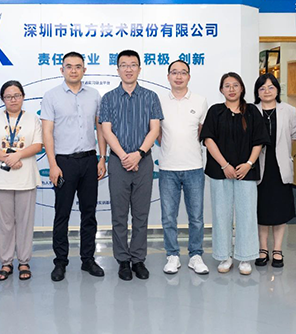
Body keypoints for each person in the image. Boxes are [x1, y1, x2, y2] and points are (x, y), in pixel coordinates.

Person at [40, 51, 107, 282]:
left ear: (84, 70)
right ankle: (60, 262)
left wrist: (102, 158)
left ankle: (88, 259)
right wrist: (52, 164)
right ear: (62, 70)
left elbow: (100, 128)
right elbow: (47, 132)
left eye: (78, 66)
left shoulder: (94, 95)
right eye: (69, 66)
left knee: (89, 213)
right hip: (64, 163)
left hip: (89, 160)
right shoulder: (51, 96)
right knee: (62, 214)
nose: (73, 70)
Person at [100, 49, 163, 281]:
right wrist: (125, 157)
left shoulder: (150, 97)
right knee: (119, 215)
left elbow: (154, 129)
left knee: (140, 214)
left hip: (143, 162)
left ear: (139, 68)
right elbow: (106, 131)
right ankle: (123, 260)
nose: (128, 69)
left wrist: (138, 154)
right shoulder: (108, 98)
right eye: (124, 65)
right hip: (118, 163)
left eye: (133, 64)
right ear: (117, 69)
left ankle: (138, 259)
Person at [200, 72, 269, 275]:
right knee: (221, 215)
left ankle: (245, 257)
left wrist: (249, 164)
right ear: (221, 90)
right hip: (220, 171)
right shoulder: (215, 111)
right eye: (227, 85)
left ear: (242, 88)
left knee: (246, 215)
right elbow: (208, 140)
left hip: (246, 172)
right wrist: (224, 165)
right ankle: (224, 256)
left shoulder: (252, 112)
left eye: (235, 85)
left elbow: (259, 141)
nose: (231, 89)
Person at [0, 80, 42, 281]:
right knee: (4, 223)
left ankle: (24, 261)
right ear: (3, 99)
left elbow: (38, 145)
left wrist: (18, 156)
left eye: (17, 95)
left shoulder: (33, 119)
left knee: (25, 222)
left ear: (23, 97)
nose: (13, 100)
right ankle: (6, 262)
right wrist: (8, 158)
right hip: (2, 178)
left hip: (26, 177)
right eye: (8, 96)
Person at [158, 60, 209, 275]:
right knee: (168, 217)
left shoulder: (200, 101)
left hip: (194, 167)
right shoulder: (159, 101)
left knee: (196, 216)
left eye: (183, 73)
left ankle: (195, 255)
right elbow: (157, 133)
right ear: (168, 76)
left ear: (189, 76)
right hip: (167, 168)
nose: (178, 77)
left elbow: (202, 132)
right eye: (174, 73)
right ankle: (172, 255)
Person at [252, 74, 296, 268]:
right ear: (257, 92)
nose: (267, 91)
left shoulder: (289, 110)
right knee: (261, 209)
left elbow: (294, 136)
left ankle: (277, 249)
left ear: (277, 90)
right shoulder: (251, 110)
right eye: (262, 88)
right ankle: (262, 248)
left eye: (271, 87)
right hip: (258, 166)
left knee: (280, 209)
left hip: (280, 167)